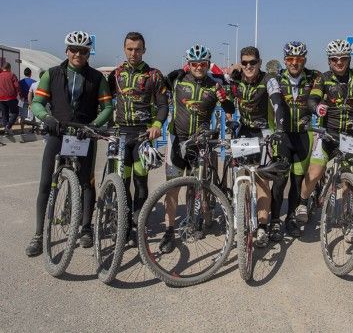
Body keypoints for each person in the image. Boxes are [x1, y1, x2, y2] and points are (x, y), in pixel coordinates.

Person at [25, 31, 113, 256]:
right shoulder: (52, 74)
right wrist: (46, 118)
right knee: (46, 182)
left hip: (85, 134)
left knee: (87, 183)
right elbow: (38, 102)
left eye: (83, 51)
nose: (78, 54)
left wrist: (93, 126)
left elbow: (107, 108)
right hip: (58, 132)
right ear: (67, 51)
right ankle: (38, 234)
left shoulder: (97, 78)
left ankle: (85, 228)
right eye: (74, 50)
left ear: (88, 53)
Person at [294, 39, 353, 224]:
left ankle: (348, 220)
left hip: (350, 136)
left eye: (343, 59)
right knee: (314, 173)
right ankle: (303, 203)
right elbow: (312, 100)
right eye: (334, 59)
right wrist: (317, 107)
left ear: (349, 59)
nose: (339, 62)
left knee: (349, 184)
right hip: (327, 134)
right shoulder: (323, 78)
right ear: (329, 61)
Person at [160, 44, 235, 253]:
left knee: (196, 186)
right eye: (195, 64)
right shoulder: (177, 79)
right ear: (189, 63)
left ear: (208, 64)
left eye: (203, 64)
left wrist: (225, 100)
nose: (199, 67)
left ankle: (192, 221)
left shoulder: (215, 83)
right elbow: (156, 86)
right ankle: (169, 230)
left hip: (201, 142)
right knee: (172, 188)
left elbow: (230, 108)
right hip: (177, 139)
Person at [108, 32, 168, 246]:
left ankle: (138, 223)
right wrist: (104, 127)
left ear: (144, 50)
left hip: (143, 136)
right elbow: (105, 103)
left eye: (138, 49)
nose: (134, 53)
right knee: (122, 183)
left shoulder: (154, 75)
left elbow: (163, 105)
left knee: (140, 182)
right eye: (130, 49)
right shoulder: (115, 74)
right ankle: (123, 224)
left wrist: (157, 125)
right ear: (124, 49)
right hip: (121, 136)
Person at [226, 46, 282, 247]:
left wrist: (280, 128)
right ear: (241, 63)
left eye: (253, 62)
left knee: (261, 180)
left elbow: (277, 103)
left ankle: (263, 226)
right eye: (245, 63)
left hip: (264, 132)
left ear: (259, 62)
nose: (249, 66)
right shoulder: (237, 78)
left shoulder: (269, 80)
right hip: (244, 132)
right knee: (241, 177)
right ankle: (240, 217)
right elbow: (223, 94)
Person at [269, 41, 323, 238]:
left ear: (304, 60)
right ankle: (275, 220)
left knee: (297, 180)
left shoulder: (314, 77)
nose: (294, 63)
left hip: (303, 135)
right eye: (290, 59)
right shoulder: (276, 78)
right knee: (280, 180)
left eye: (299, 59)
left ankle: (290, 218)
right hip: (282, 136)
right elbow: (271, 101)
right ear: (285, 60)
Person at [0, 62, 21, 136]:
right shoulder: (12, 75)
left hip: (1, 99)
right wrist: (19, 94)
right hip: (11, 98)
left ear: (3, 68)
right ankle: (8, 127)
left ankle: (6, 130)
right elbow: (17, 86)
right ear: (9, 68)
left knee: (4, 114)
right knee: (15, 112)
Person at [18, 67, 36, 132]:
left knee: (22, 115)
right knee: (32, 115)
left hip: (22, 100)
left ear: (24, 73)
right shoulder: (34, 82)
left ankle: (22, 130)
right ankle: (33, 128)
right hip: (32, 100)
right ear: (30, 74)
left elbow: (18, 90)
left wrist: (21, 97)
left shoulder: (20, 82)